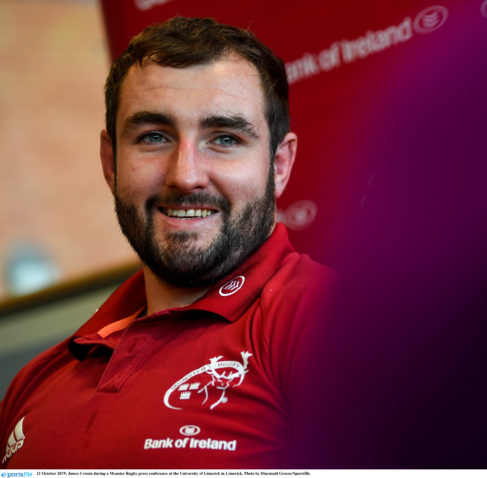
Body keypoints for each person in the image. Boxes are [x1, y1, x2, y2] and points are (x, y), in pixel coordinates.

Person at [0, 16, 332, 469]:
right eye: (154, 137)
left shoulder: (335, 324)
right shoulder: (36, 381)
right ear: (111, 161)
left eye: (224, 139)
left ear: (278, 165)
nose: (185, 175)